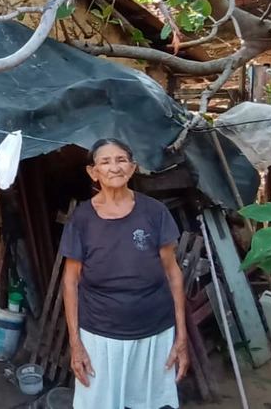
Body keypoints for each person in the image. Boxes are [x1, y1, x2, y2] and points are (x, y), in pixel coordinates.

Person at [58, 138, 189, 409]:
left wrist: (181, 336)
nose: (114, 167)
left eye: (121, 160)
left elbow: (172, 273)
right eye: (105, 162)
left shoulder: (154, 212)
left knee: (149, 403)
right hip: (100, 335)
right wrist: (76, 344)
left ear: (132, 168)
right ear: (93, 173)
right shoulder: (82, 219)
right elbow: (70, 282)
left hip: (154, 331)